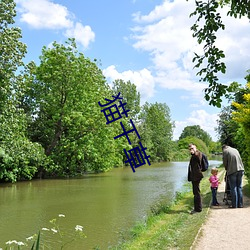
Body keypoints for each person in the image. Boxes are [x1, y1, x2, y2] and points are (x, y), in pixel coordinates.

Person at [188, 143, 204, 214]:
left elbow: (198, 158)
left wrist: (194, 152)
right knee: (196, 192)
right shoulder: (194, 155)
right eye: (190, 149)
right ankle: (197, 208)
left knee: (196, 192)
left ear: (195, 148)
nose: (191, 150)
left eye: (192, 148)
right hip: (195, 176)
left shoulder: (198, 154)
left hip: (196, 176)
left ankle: (198, 209)